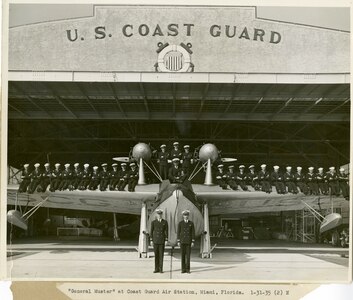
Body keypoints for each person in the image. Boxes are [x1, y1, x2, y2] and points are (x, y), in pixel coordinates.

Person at [150, 209, 168, 273]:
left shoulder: (165, 222)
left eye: (160, 214)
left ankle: (161, 269)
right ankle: (156, 268)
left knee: (161, 255)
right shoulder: (154, 222)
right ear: (156, 215)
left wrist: (166, 240)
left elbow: (166, 232)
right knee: (156, 255)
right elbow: (151, 231)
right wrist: (151, 240)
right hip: (155, 240)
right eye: (158, 214)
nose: (159, 215)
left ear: (162, 215)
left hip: (162, 241)